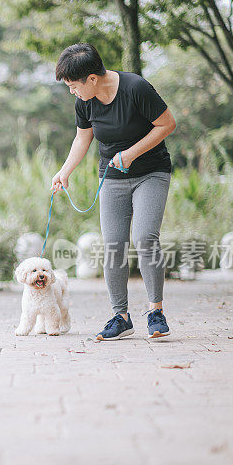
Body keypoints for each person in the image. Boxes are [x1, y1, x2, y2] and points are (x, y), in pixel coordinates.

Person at [50, 43, 177, 340]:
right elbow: (82, 139)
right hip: (112, 178)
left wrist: (132, 153)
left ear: (92, 78)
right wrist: (64, 172)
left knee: (145, 238)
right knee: (114, 246)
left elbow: (167, 124)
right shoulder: (85, 100)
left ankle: (155, 311)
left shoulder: (136, 88)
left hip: (151, 173)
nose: (72, 91)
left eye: (73, 85)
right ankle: (120, 317)